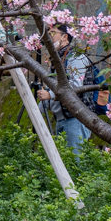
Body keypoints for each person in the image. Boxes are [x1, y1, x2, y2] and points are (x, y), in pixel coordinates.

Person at [36, 24, 92, 155]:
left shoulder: (75, 57)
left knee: (75, 164)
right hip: (62, 119)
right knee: (65, 163)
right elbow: (52, 86)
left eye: (53, 33)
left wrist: (49, 95)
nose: (49, 38)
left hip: (76, 119)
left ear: (65, 36)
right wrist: (38, 109)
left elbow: (76, 86)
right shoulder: (58, 60)